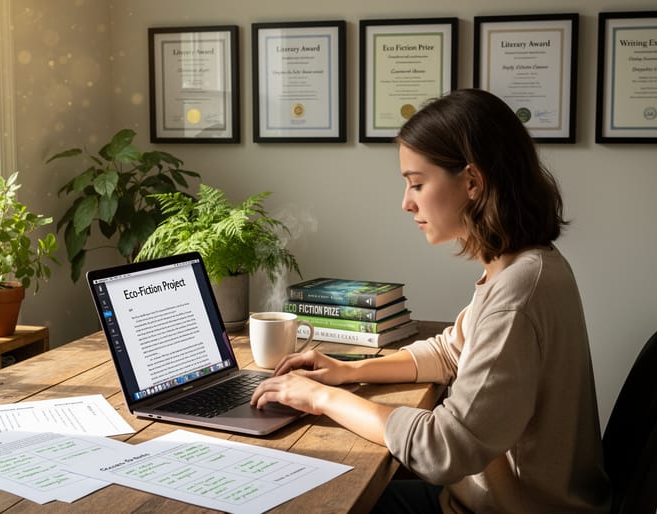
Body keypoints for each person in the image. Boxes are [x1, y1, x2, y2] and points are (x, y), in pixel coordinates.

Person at [250, 89, 611, 514]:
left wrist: (320, 399)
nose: (407, 203)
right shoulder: (526, 266)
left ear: (473, 182)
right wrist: (350, 371)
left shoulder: (519, 290)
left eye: (417, 184)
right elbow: (452, 350)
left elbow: (442, 448)